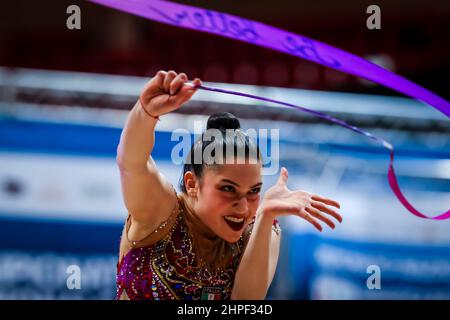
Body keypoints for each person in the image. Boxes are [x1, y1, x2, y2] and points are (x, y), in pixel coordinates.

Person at [115, 70, 342, 300]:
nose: (243, 208)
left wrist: (265, 217)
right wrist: (144, 112)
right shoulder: (162, 212)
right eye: (228, 189)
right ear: (192, 184)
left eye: (254, 192)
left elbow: (244, 303)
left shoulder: (258, 227)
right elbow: (132, 164)